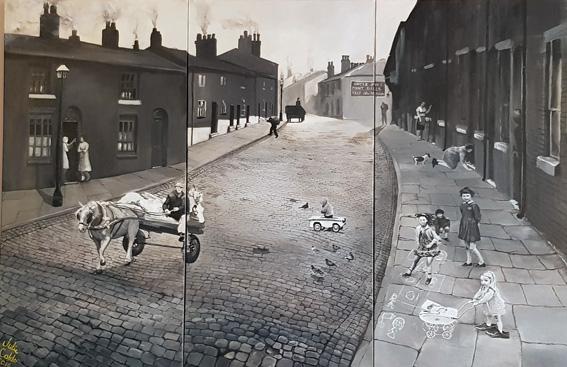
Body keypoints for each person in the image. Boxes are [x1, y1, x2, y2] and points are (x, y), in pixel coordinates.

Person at [402, 213, 441, 285]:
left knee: (428, 263)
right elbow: (417, 236)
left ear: (426, 221)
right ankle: (409, 271)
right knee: (416, 259)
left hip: (430, 248)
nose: (422, 221)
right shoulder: (418, 228)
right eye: (420, 220)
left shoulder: (431, 229)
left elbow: (438, 238)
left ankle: (429, 277)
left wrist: (431, 244)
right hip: (422, 247)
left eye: (423, 220)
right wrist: (418, 242)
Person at [469, 271, 509, 338]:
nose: (483, 282)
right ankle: (488, 325)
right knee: (488, 315)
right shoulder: (484, 286)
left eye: (486, 280)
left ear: (491, 281)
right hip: (489, 305)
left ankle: (500, 331)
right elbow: (479, 292)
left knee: (497, 318)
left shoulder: (491, 290)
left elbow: (486, 298)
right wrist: (475, 298)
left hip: (495, 306)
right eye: (482, 280)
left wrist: (478, 302)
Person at [459, 187, 485, 267]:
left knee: (472, 247)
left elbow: (477, 217)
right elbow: (463, 213)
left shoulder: (474, 206)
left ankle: (481, 261)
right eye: (464, 196)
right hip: (464, 226)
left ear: (471, 196)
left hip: (472, 227)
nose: (465, 197)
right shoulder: (462, 205)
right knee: (466, 245)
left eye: (467, 195)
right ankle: (468, 261)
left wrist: (477, 226)